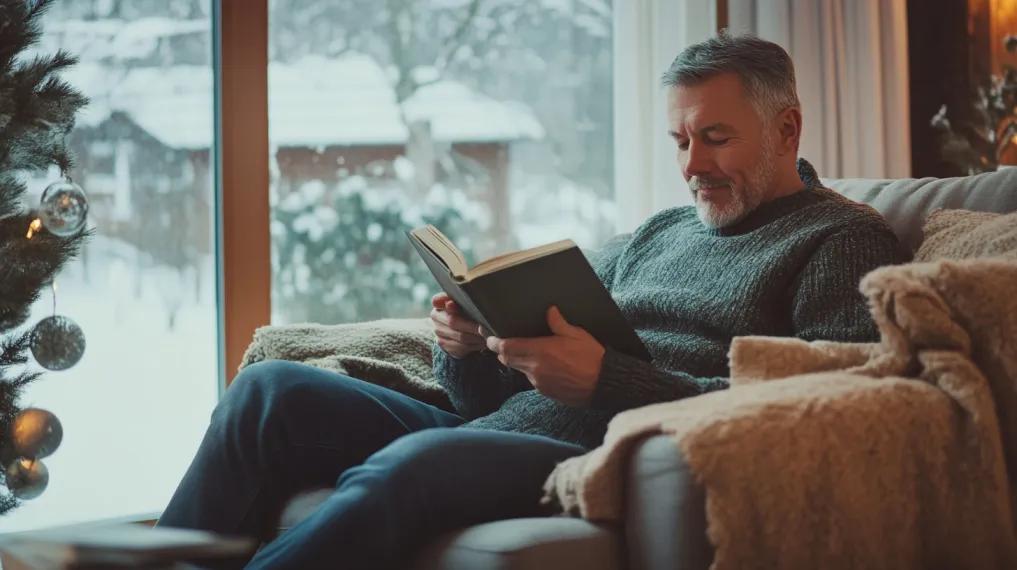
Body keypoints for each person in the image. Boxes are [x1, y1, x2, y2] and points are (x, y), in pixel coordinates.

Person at [157, 33, 906, 569]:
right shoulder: (661, 231)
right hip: (509, 425)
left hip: (591, 454)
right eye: (678, 140)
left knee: (414, 465)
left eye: (715, 138)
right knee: (268, 391)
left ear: (786, 128)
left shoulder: (841, 241)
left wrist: (606, 382)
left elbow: (826, 403)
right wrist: (470, 350)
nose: (691, 166)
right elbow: (491, 403)